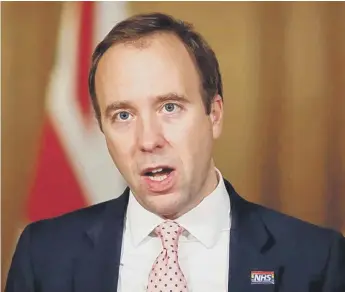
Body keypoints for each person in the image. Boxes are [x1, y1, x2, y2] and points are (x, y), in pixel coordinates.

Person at [6, 12, 345, 292]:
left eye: (169, 107)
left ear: (214, 114)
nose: (148, 139)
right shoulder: (43, 255)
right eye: (123, 115)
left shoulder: (317, 259)